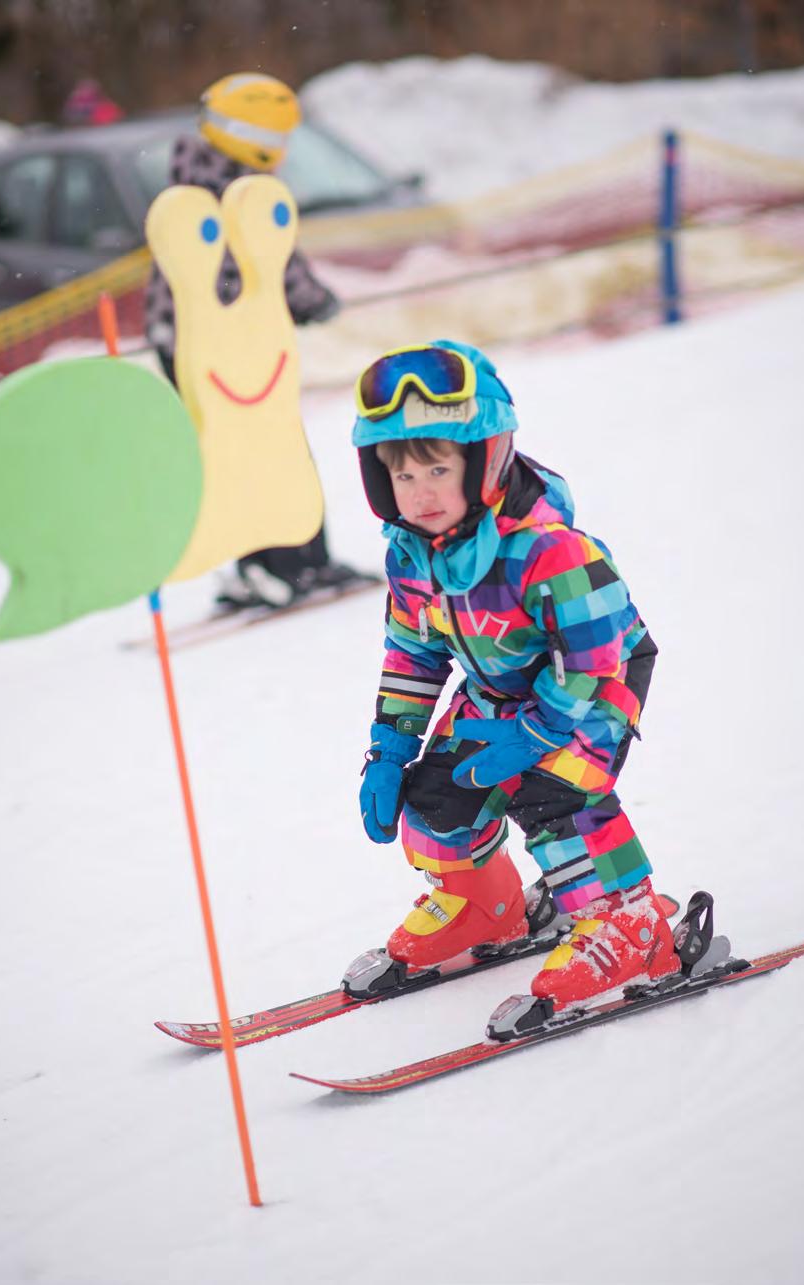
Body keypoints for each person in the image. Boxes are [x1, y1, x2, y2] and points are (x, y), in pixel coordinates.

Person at [352, 339, 679, 1019]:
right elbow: (413, 654)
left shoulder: (548, 549)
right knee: (435, 799)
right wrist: (389, 749)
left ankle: (629, 922)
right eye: (403, 477)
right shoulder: (410, 555)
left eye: (438, 469)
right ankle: (486, 906)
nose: (422, 493)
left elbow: (594, 657)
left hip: (590, 687)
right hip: (500, 692)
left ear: (486, 457)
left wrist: (541, 732)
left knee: (553, 793)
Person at [145, 72, 370, 609]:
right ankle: (297, 563)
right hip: (231, 340)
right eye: (277, 140)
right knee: (274, 446)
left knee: (227, 452)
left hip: (178, 335)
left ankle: (256, 565)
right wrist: (314, 301)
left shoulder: (191, 173)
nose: (283, 152)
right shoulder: (242, 189)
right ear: (255, 140)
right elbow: (272, 265)